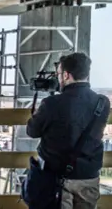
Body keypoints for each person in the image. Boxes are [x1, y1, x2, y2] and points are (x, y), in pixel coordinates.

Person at [26, 52, 110, 209]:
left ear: (65, 75)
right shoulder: (102, 103)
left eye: (58, 74)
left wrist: (42, 109)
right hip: (88, 178)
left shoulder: (52, 104)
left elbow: (32, 131)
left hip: (56, 179)